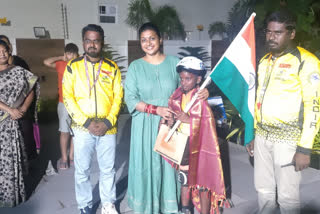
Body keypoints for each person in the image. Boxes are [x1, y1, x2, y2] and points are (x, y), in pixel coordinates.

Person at [124, 22, 209, 213]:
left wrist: (204, 93)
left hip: (171, 125)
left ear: (160, 39)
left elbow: (189, 86)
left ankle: (169, 207)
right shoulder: (135, 67)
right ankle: (146, 207)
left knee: (169, 167)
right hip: (144, 125)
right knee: (145, 166)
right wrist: (155, 109)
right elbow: (130, 98)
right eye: (143, 40)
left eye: (152, 38)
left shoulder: (174, 63)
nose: (148, 43)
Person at [246, 10, 320, 213]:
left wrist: (304, 149)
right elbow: (258, 100)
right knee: (263, 191)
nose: (271, 37)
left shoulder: (307, 62)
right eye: (269, 32)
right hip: (262, 137)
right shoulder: (264, 61)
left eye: (278, 32)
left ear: (292, 34)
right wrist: (253, 133)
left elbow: (314, 107)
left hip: (288, 140)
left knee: (287, 197)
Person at [62, 24, 123, 214]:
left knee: (108, 169)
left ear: (102, 43)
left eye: (96, 40)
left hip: (108, 127)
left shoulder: (112, 67)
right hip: (82, 127)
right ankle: (85, 205)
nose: (92, 44)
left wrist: (107, 121)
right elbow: (68, 97)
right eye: (88, 40)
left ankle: (108, 203)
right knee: (82, 171)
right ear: (83, 43)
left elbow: (118, 97)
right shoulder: (73, 67)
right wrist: (87, 122)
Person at [166, 56, 226, 214]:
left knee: (202, 184)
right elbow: (171, 114)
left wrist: (189, 119)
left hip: (201, 148)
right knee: (184, 181)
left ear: (198, 79)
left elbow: (208, 122)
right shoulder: (177, 96)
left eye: (188, 79)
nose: (183, 82)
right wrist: (170, 121)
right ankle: (185, 210)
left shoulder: (201, 98)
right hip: (183, 146)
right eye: (181, 79)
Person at [0, 40, 39, 207]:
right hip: (4, 119)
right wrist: (9, 109)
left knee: (12, 158)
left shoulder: (18, 71)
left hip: (14, 123)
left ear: (9, 52)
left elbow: (31, 88)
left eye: (4, 50)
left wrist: (22, 108)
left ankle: (14, 195)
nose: (1, 53)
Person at [43, 43, 79, 169]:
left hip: (78, 104)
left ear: (77, 54)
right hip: (63, 103)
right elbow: (46, 62)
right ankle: (64, 158)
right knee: (64, 131)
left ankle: (72, 156)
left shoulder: (80, 66)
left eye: (73, 53)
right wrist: (60, 57)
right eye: (68, 53)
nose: (71, 56)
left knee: (76, 132)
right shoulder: (60, 64)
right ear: (65, 54)